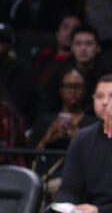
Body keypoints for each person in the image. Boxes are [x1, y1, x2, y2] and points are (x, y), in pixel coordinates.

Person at [56, 74, 112, 213]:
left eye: (111, 96)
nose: (104, 102)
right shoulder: (83, 138)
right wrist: (68, 208)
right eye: (99, 97)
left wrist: (100, 210)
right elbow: (69, 188)